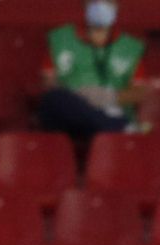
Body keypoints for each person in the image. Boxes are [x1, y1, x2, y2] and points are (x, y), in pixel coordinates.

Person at [39, 1, 148, 140]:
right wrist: (78, 99)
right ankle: (117, 128)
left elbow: (139, 92)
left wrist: (110, 97)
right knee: (53, 99)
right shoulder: (61, 39)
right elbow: (48, 84)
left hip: (112, 112)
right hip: (69, 119)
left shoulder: (129, 47)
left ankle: (112, 126)